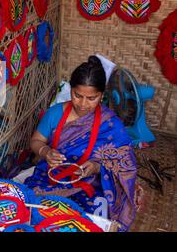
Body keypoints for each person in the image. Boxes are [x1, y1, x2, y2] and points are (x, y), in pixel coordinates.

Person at [24, 55, 137, 231]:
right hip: (52, 175)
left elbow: (124, 163)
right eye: (77, 95)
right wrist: (46, 152)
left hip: (91, 182)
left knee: (87, 219)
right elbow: (36, 141)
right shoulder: (55, 114)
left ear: (102, 95)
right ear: (71, 90)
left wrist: (96, 167)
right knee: (34, 208)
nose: (83, 104)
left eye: (92, 98)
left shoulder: (111, 124)